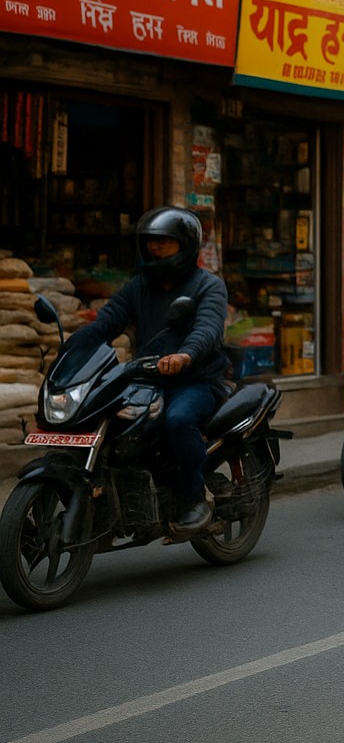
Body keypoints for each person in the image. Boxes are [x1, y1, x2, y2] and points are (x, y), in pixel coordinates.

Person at [63, 207, 229, 533]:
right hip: (144, 378)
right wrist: (70, 349)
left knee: (178, 419)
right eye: (151, 242)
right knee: (102, 417)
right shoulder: (139, 285)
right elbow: (106, 323)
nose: (155, 248)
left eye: (164, 243)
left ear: (185, 245)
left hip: (196, 380)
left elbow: (207, 329)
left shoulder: (208, 285)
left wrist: (185, 355)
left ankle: (194, 497)